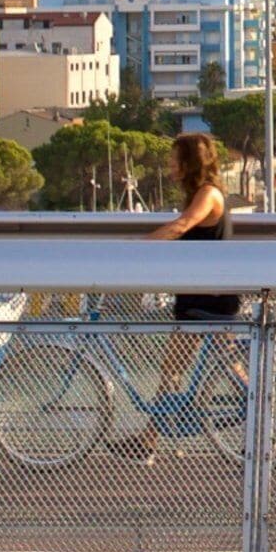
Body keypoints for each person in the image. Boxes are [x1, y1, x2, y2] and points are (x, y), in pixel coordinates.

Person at [118, 128, 240, 460]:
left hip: (209, 298)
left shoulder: (208, 194)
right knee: (175, 367)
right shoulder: (201, 193)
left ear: (190, 163)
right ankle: (149, 439)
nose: (170, 166)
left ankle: (263, 433)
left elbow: (182, 226)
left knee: (227, 368)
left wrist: (136, 250)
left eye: (174, 160)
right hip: (197, 295)